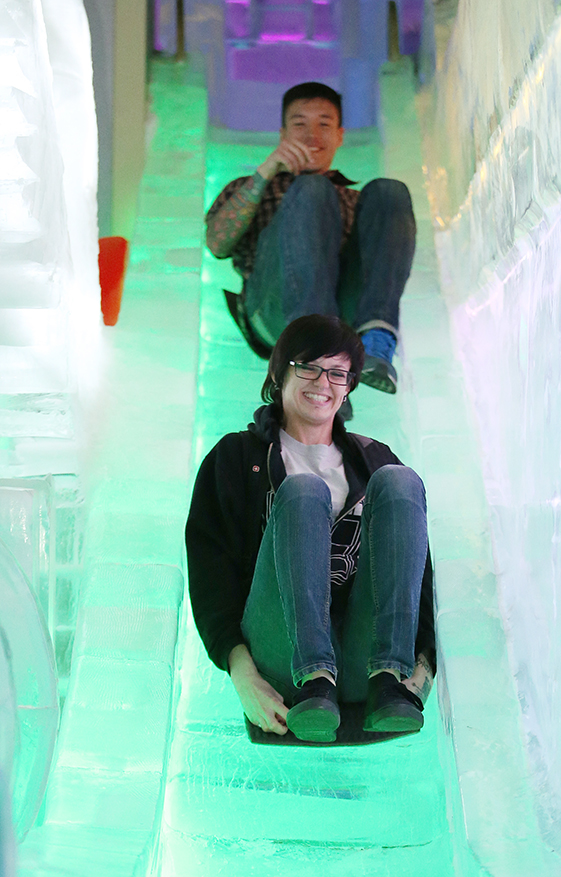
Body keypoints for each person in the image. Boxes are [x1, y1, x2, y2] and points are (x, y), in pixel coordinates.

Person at [185, 315, 435, 743]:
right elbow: (211, 575)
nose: (323, 382)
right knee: (303, 491)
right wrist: (243, 677)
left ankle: (388, 681)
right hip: (284, 661)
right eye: (308, 367)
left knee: (401, 479)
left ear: (349, 386)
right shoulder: (233, 458)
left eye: (337, 372)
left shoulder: (375, 459)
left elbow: (417, 572)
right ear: (280, 371)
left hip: (364, 658)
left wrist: (425, 668)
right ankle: (316, 679)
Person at [205, 81, 416, 395]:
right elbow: (217, 244)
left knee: (389, 192)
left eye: (324, 125)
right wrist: (265, 174)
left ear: (339, 136)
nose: (312, 136)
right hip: (273, 309)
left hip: (342, 313)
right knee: (311, 189)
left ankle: (375, 341)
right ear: (282, 134)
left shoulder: (355, 202)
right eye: (299, 124)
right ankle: (316, 357)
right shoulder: (253, 186)